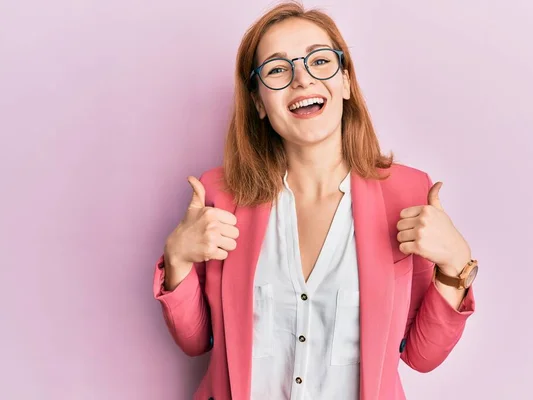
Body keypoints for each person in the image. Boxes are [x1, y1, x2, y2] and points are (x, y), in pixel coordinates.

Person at [153, 1, 478, 399]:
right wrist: (178, 259)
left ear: (345, 82)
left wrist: (455, 265)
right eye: (277, 69)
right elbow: (195, 341)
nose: (302, 80)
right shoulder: (219, 194)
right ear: (258, 102)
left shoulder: (407, 194)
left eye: (319, 62)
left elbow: (422, 355)